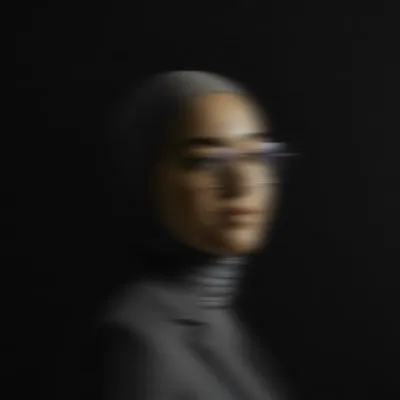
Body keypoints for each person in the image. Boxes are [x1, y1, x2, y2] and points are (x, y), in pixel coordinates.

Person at [81, 71, 295, 399]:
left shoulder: (217, 317)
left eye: (256, 155)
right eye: (204, 161)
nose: (241, 185)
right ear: (145, 178)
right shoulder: (138, 340)